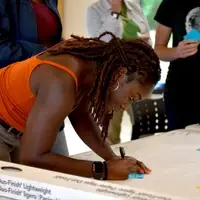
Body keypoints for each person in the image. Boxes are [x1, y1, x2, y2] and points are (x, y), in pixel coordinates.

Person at [0, 32, 161, 180]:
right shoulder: (61, 80)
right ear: (120, 74)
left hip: (15, 131)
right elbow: (33, 156)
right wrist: (104, 170)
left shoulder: (89, 67)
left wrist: (112, 158)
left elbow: (82, 116)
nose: (126, 106)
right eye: (131, 98)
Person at [0, 0, 67, 159]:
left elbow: (50, 37)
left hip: (43, 96)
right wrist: (50, 54)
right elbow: (1, 48)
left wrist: (68, 47)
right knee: (13, 180)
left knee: (54, 175)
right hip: (9, 99)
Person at [86, 0, 151, 144]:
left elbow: (147, 36)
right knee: (111, 133)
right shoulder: (94, 10)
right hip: (113, 79)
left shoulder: (133, 6)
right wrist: (114, 14)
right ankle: (114, 164)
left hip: (139, 75)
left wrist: (144, 42)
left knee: (147, 125)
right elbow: (99, 44)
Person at [154, 0, 200, 130]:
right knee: (182, 144)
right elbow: (158, 50)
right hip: (182, 92)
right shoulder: (171, 3)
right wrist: (177, 52)